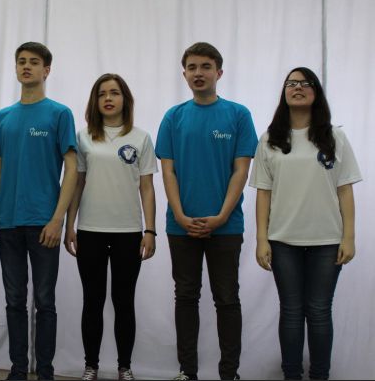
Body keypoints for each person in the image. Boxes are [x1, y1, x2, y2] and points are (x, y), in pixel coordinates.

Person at [249, 67, 361, 380]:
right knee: (291, 311)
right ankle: (292, 375)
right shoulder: (270, 139)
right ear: (284, 92)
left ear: (316, 92)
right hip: (283, 241)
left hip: (327, 240)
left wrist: (348, 237)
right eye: (291, 83)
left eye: (305, 83)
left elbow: (345, 190)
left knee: (320, 311)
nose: (297, 87)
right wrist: (261, 239)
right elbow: (263, 194)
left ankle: (320, 376)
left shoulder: (334, 137)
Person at [155, 42, 257, 381]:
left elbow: (241, 170)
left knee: (227, 299)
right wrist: (180, 215)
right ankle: (188, 372)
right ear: (184, 73)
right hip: (180, 226)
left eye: (206, 66)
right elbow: (168, 172)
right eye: (192, 67)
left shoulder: (238, 115)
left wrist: (222, 216)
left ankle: (229, 373)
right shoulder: (173, 117)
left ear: (219, 72)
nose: (198, 73)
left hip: (226, 226)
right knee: (186, 297)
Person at [0, 42, 78, 380]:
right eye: (21, 61)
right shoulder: (2, 118)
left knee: (44, 301)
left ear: (46, 70)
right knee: (14, 300)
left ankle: (46, 372)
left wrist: (58, 219)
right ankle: (19, 369)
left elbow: (72, 168)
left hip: (43, 223)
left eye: (34, 62)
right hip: (8, 222)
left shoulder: (59, 114)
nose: (26, 66)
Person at [64, 73, 158, 381]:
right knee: (92, 301)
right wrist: (69, 226)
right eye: (102, 93)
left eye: (114, 93)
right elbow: (77, 184)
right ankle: (91, 365)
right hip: (90, 230)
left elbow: (147, 187)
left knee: (124, 302)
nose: (108, 98)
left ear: (125, 99)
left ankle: (124, 367)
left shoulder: (141, 138)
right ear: (95, 100)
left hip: (128, 233)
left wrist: (150, 230)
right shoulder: (83, 137)